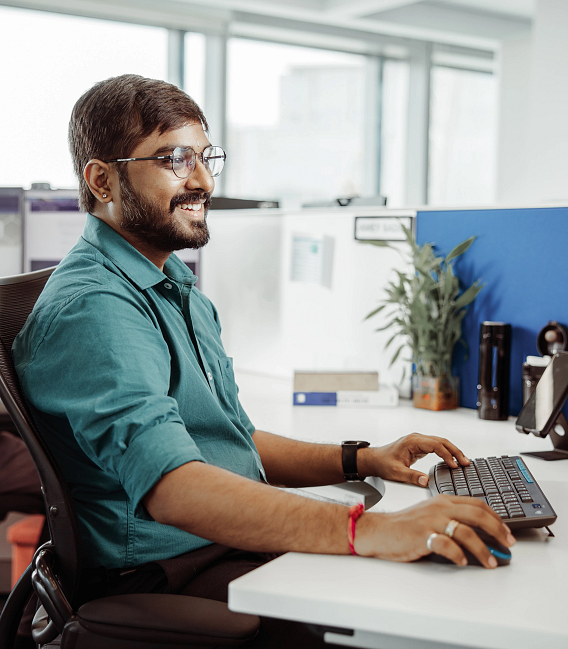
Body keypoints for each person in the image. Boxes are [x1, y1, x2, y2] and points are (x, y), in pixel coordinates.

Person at [13, 74, 514, 647]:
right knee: (413, 611)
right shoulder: (96, 308)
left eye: (205, 157)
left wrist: (361, 459)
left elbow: (232, 440)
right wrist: (371, 528)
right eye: (174, 159)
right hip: (170, 573)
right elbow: (176, 488)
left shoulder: (170, 283)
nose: (201, 180)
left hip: (222, 545)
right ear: (102, 179)